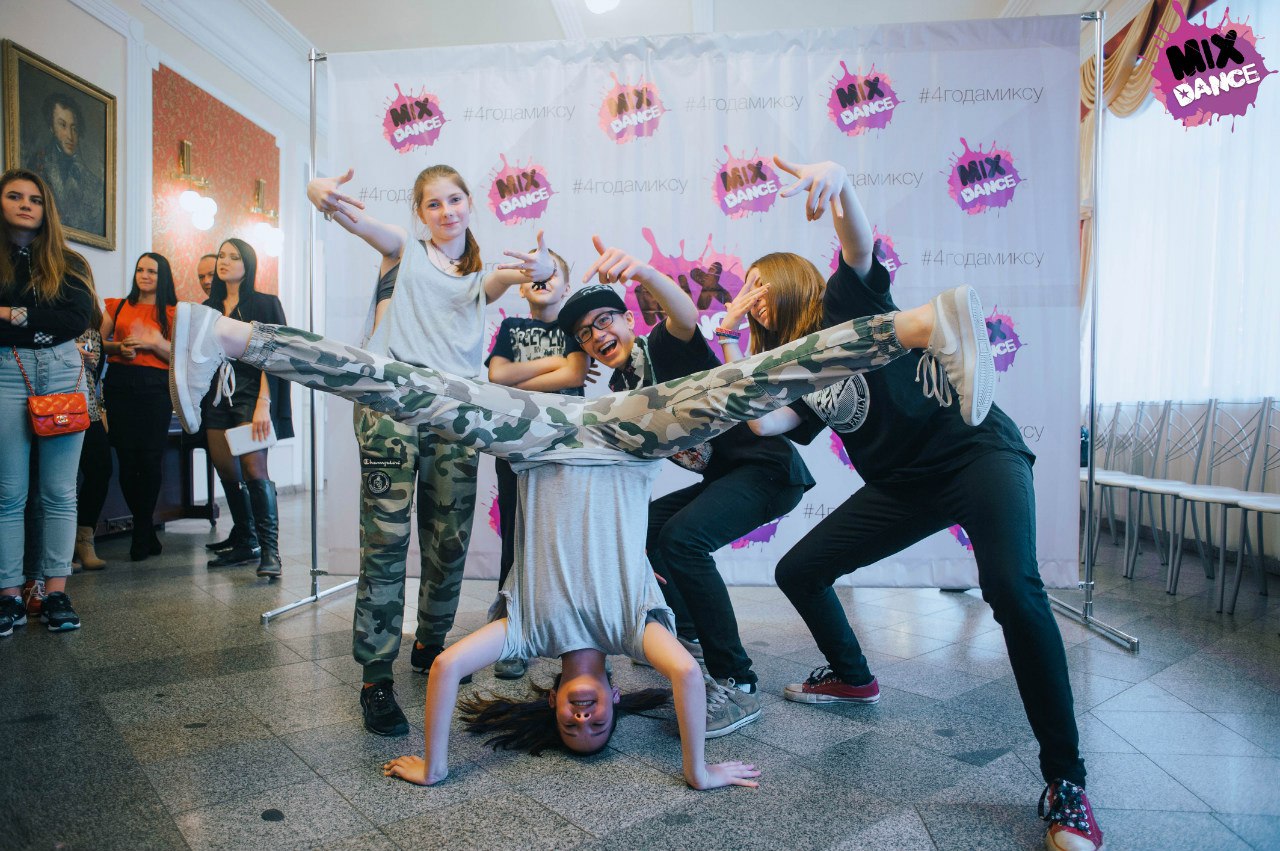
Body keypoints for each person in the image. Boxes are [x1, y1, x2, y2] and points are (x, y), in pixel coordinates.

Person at [165, 233, 990, 788]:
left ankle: (226, 336)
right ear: (613, 707)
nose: (586, 718)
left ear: (555, 704)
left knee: (405, 387)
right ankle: (924, 322)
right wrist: (698, 770)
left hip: (541, 433)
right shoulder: (636, 632)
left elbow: (447, 670)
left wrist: (436, 764)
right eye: (598, 728)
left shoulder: (526, 632)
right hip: (630, 433)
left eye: (571, 727)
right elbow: (685, 674)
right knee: (749, 380)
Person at [732, 156, 1102, 851]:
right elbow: (763, 425)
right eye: (743, 289)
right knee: (799, 569)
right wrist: (734, 348)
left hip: (976, 453)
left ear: (788, 281)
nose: (750, 298)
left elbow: (857, 246)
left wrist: (842, 182)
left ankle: (1067, 783)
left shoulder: (843, 308)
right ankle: (852, 677)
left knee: (1012, 589)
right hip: (902, 486)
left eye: (759, 284)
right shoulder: (793, 370)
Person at [307, 165, 558, 736]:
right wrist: (318, 192)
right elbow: (361, 224)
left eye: (454, 200)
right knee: (386, 541)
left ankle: (430, 643)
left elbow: (518, 277)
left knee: (449, 540)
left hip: (453, 411)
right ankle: (376, 677)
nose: (446, 211)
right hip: (391, 406)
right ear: (420, 213)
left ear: (470, 204)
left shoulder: (480, 279)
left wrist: (542, 268)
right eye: (433, 204)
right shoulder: (405, 250)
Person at [564, 237, 818, 738]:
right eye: (585, 334)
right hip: (727, 476)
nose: (597, 336)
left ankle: (737, 681)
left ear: (629, 320)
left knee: (683, 540)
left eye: (604, 321)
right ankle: (691, 635)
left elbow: (682, 312)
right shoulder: (620, 394)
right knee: (649, 528)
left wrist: (642, 271)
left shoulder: (664, 346)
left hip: (768, 470)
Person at [0, 168, 96, 635]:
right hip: (5, 371)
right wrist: (39, 321)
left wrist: (9, 314)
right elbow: (54, 321)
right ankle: (9, 596)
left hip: (61, 371)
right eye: (14, 196)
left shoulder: (68, 261)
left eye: (35, 199)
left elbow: (77, 319)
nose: (25, 205)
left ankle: (55, 591)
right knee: (8, 493)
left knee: (59, 491)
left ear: (46, 209)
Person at [485, 247, 588, 679]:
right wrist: (554, 363)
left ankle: (571, 633)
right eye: (531, 276)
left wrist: (525, 373)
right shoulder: (511, 327)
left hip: (564, 449)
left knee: (564, 540)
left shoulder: (575, 328)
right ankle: (511, 629)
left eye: (551, 274)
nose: (541, 280)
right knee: (516, 537)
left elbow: (575, 375)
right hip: (515, 448)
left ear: (566, 285)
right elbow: (497, 376)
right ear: (521, 287)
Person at [201, 238, 292, 578]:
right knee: (227, 471)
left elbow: (276, 355)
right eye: (221, 256)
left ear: (248, 264)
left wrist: (263, 404)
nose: (224, 261)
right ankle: (246, 541)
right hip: (216, 394)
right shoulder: (208, 307)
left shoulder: (265, 303)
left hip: (252, 392)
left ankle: (270, 552)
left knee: (255, 470)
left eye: (234, 256)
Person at [101, 252, 178, 561]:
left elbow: (180, 357)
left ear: (163, 276)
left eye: (152, 271)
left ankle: (141, 531)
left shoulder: (174, 312)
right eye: (140, 270)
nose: (144, 275)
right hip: (120, 383)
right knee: (126, 459)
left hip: (155, 388)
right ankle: (145, 529)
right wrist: (118, 347)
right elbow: (95, 341)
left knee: (149, 459)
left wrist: (152, 344)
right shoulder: (117, 306)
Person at [23, 93, 104, 236]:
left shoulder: (91, 181)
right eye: (62, 125)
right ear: (51, 127)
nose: (70, 136)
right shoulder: (37, 164)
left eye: (74, 128)